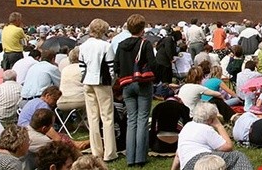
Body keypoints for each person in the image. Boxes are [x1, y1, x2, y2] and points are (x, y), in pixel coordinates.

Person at [114, 14, 157, 167]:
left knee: (131, 120)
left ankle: (130, 157)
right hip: (142, 83)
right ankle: (141, 156)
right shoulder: (145, 44)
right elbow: (153, 63)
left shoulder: (120, 44)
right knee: (142, 119)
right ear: (142, 28)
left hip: (126, 83)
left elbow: (116, 65)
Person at [78, 18, 117, 163]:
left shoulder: (83, 46)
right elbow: (111, 68)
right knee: (107, 117)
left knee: (92, 117)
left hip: (87, 82)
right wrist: (111, 82)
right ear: (103, 31)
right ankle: (109, 152)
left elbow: (81, 67)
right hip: (102, 82)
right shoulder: (106, 46)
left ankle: (96, 151)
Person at [172, 103, 251, 170]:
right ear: (211, 119)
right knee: (237, 156)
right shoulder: (206, 129)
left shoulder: (187, 126)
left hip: (186, 166)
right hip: (202, 160)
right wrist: (219, 125)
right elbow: (228, 147)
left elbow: (178, 155)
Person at [149, 88, 190, 154]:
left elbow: (153, 127)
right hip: (177, 145)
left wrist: (151, 143)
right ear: (177, 97)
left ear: (165, 98)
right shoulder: (183, 108)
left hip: (159, 145)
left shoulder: (157, 107)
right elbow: (187, 127)